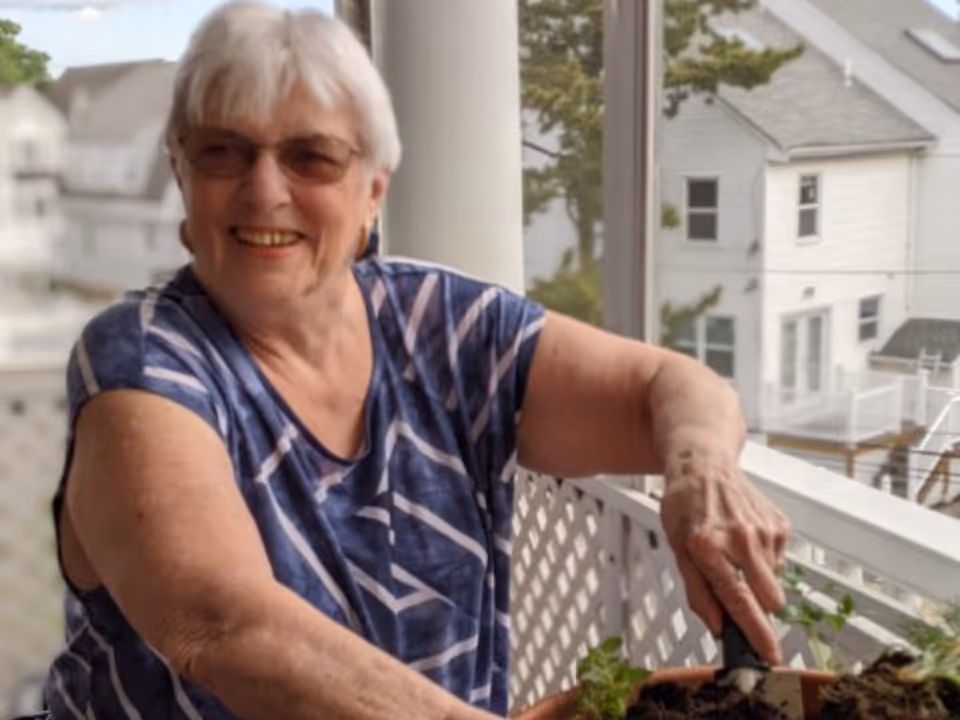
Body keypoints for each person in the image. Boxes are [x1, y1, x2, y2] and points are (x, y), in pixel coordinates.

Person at [44, 2, 790, 719]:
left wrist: (702, 470)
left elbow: (665, 385)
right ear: (182, 173)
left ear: (373, 189)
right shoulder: (142, 361)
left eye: (311, 157)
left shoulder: (439, 322)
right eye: (223, 152)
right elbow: (221, 624)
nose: (264, 189)